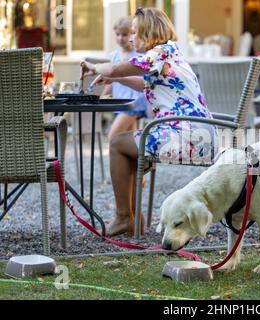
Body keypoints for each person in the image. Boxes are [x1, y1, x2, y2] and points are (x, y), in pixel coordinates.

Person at [81, 8, 217, 237]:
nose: (132, 37)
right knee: (126, 145)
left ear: (149, 32)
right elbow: (144, 85)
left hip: (189, 135)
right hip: (192, 131)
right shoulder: (168, 53)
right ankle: (132, 218)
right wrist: (115, 77)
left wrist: (95, 67)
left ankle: (126, 218)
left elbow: (114, 66)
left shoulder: (160, 52)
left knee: (117, 143)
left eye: (135, 32)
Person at [102, 17, 146, 141]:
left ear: (131, 34)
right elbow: (110, 80)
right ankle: (137, 160)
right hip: (120, 101)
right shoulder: (114, 55)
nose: (121, 38)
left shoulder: (138, 55)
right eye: (118, 34)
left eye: (125, 34)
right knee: (129, 138)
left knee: (113, 137)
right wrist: (102, 97)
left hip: (134, 102)